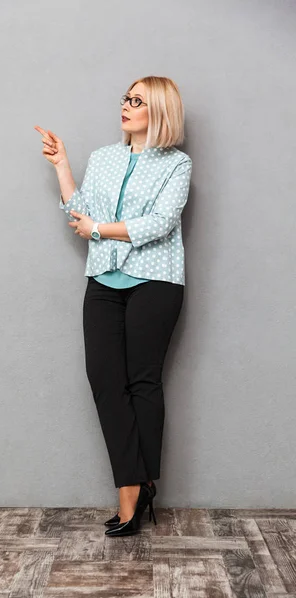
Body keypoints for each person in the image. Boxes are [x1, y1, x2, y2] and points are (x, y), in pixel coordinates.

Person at [34, 75, 192, 537]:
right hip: (103, 278)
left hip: (156, 280)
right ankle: (137, 484)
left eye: (137, 100)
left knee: (143, 381)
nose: (126, 105)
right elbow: (80, 215)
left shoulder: (176, 164)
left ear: (158, 112)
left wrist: (101, 230)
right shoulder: (103, 158)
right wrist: (63, 166)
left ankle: (132, 493)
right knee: (105, 381)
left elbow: (161, 223)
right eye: (126, 97)